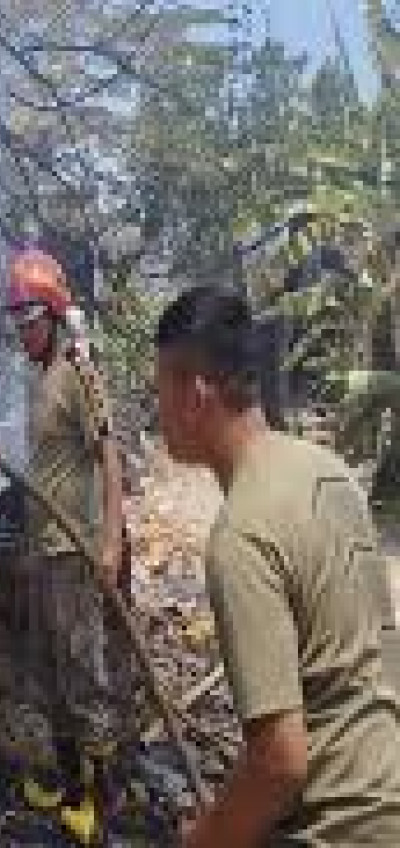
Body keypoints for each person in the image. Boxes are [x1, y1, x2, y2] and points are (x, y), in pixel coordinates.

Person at [154, 285, 400, 846]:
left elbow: (280, 765)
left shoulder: (241, 534)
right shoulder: (330, 472)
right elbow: (383, 650)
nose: (157, 411)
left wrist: (204, 839)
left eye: (159, 391)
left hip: (337, 827)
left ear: (195, 395)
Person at [5, 247, 125, 844]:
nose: (21, 331)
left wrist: (110, 538)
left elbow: (109, 453)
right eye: (16, 321)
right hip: (43, 548)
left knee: (83, 672)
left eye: (29, 320)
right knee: (46, 670)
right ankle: (59, 781)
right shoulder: (42, 377)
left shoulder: (79, 373)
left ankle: (98, 800)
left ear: (52, 317)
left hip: (72, 549)